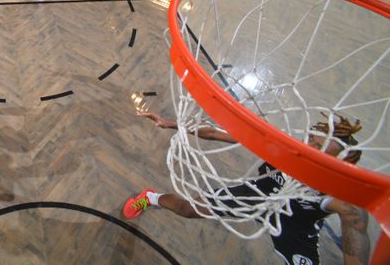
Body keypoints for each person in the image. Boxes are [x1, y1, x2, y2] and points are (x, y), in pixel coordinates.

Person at [123, 112, 370, 265]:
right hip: (255, 196)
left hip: (295, 225)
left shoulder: (345, 202)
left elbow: (355, 247)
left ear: (340, 164)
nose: (308, 148)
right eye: (310, 140)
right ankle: (150, 198)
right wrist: (170, 123)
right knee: (186, 209)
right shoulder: (288, 148)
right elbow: (219, 134)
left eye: (319, 147)